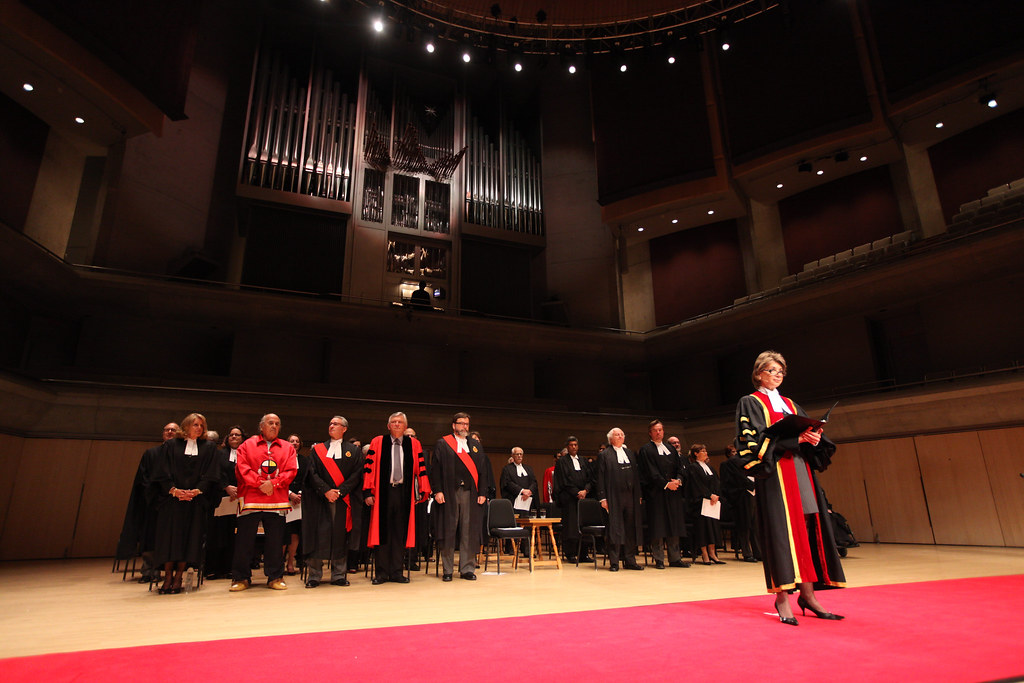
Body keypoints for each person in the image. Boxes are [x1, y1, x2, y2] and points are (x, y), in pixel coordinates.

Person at [735, 350, 845, 625]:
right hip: (776, 474)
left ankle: (808, 594)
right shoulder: (750, 402)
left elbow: (804, 434)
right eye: (772, 370)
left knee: (808, 527)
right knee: (781, 534)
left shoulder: (790, 404)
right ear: (759, 373)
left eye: (781, 371)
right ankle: (783, 596)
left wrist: (813, 436)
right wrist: (793, 439)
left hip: (800, 470)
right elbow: (752, 442)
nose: (777, 375)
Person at [150, 413, 220, 594]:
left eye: (202, 425)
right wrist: (174, 490)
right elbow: (162, 471)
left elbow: (211, 473)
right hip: (172, 502)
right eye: (195, 424)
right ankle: (167, 577)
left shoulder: (209, 448)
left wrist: (196, 491)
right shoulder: (171, 446)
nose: (199, 428)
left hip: (194, 502)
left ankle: (179, 576)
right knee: (169, 540)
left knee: (189, 540)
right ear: (186, 426)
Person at [230, 413, 298, 592]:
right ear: (261, 426)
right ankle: (241, 577)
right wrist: (260, 484)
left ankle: (275, 576)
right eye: (270, 423)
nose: (274, 426)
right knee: (244, 540)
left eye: (277, 423)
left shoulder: (287, 448)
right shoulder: (247, 445)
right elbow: (242, 468)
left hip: (276, 500)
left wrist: (273, 483)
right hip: (251, 499)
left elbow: (291, 470)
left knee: (276, 541)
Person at [364, 412, 430, 584]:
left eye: (400, 422)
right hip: (383, 492)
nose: (397, 424)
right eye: (393, 422)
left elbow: (421, 469)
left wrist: (423, 489)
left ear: (405, 426)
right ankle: (381, 573)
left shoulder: (413, 444)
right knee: (383, 532)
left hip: (404, 492)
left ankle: (397, 572)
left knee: (400, 533)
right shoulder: (378, 442)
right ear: (388, 426)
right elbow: (369, 469)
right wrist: (368, 492)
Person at [429, 412, 495, 581]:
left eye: (466, 424)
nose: (464, 427)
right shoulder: (443, 444)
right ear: (453, 425)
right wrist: (437, 491)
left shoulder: (475, 445)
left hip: (471, 494)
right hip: (448, 494)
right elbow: (435, 470)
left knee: (469, 531)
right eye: (461, 423)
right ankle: (448, 570)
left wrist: (482, 493)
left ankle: (467, 569)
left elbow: (483, 472)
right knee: (449, 530)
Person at [302, 416, 365, 587]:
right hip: (320, 500)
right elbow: (312, 473)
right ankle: (314, 575)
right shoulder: (318, 450)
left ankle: (338, 575)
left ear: (344, 429)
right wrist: (326, 491)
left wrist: (341, 491)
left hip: (342, 500)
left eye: (335, 424)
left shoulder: (354, 450)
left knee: (340, 536)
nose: (331, 426)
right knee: (318, 535)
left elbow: (357, 475)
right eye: (330, 423)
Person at [116, 421, 178, 582]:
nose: (170, 432)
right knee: (150, 536)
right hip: (154, 503)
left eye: (173, 430)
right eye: (167, 430)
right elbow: (144, 479)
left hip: (176, 502)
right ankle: (149, 570)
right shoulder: (151, 453)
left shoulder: (182, 454)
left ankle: (170, 571)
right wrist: (158, 495)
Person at [637, 419, 690, 568]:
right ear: (650, 433)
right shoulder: (646, 450)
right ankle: (659, 558)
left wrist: (678, 480)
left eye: (660, 430)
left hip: (673, 493)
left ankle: (675, 558)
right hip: (656, 494)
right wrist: (666, 484)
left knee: (674, 525)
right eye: (655, 430)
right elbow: (650, 472)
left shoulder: (670, 449)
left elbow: (680, 468)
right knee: (658, 527)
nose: (658, 432)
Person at [597, 427, 643, 571]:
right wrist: (603, 498)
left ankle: (630, 560)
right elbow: (600, 478)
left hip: (630, 496)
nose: (620, 436)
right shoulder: (605, 455)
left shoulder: (629, 453)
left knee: (630, 528)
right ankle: (614, 562)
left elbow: (636, 476)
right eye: (617, 435)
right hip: (613, 496)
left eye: (622, 434)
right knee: (615, 529)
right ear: (610, 438)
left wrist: (639, 495)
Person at [205, 425, 246, 580]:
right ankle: (213, 568)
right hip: (220, 498)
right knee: (216, 533)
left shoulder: (246, 455)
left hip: (239, 499)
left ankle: (230, 568)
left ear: (243, 438)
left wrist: (239, 490)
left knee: (234, 535)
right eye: (231, 435)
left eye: (237, 435)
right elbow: (215, 473)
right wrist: (226, 487)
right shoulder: (219, 454)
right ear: (227, 439)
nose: (234, 437)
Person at [554, 436, 593, 563]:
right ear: (567, 447)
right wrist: (576, 492)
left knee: (583, 526)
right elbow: (564, 481)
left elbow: (590, 478)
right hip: (569, 499)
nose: (574, 447)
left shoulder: (583, 460)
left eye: (575, 445)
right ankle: (570, 553)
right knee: (571, 527)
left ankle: (584, 554)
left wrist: (586, 490)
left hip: (583, 499)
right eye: (571, 445)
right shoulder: (562, 462)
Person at [720, 444, 760, 562]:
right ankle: (747, 553)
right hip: (741, 495)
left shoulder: (751, 459)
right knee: (744, 525)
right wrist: (750, 485)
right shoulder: (731, 462)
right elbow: (732, 480)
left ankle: (758, 552)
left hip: (753, 494)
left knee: (755, 525)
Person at [687, 443, 725, 565]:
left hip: (712, 503)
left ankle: (712, 552)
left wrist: (716, 495)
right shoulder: (693, 467)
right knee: (703, 529)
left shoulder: (709, 467)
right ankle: (704, 554)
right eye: (702, 451)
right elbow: (697, 484)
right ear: (696, 453)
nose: (705, 453)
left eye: (705, 450)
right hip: (700, 503)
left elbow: (716, 482)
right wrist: (709, 495)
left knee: (713, 528)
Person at [284, 433, 307, 575]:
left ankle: (290, 563)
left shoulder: (304, 461)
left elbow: (307, 478)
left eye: (297, 441)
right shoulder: (281, 459)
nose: (294, 443)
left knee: (295, 534)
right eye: (291, 441)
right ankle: (278, 564)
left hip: (298, 502)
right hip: (284, 499)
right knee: (282, 534)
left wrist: (299, 493)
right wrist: (290, 494)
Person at [500, 447, 538, 516]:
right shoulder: (507, 469)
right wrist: (522, 491)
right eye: (517, 454)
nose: (519, 456)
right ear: (512, 455)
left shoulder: (528, 468)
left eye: (521, 454)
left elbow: (534, 482)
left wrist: (529, 491)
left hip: (528, 500)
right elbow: (507, 483)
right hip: (514, 500)